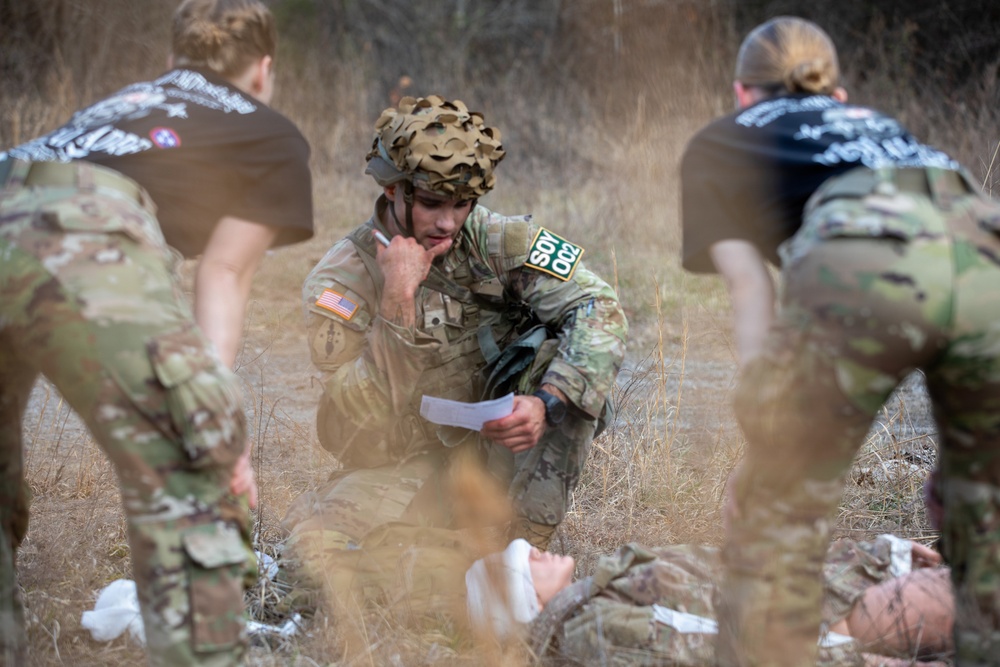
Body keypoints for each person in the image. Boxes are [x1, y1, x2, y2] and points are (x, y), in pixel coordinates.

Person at [679, 15, 1000, 667]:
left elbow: (750, 291)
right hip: (984, 239)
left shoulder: (719, 141)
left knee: (777, 516)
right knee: (982, 519)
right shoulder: (881, 127)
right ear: (838, 96)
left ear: (743, 93)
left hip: (857, 248)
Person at [0, 0, 313, 664]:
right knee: (191, 479)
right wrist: (216, 436)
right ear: (263, 70)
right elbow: (222, 273)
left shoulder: (120, 104)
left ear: (174, 61)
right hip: (83, 227)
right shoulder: (268, 130)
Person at [298, 94, 627, 550]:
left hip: (496, 452)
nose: (448, 222)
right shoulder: (343, 279)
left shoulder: (497, 240)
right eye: (433, 203)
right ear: (394, 189)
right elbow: (351, 427)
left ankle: (522, 555)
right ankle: (458, 561)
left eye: (463, 204)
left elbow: (599, 307)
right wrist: (396, 301)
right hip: (398, 467)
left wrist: (546, 402)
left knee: (563, 368)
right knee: (314, 560)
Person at [466, 536, 954, 667]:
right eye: (521, 561)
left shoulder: (595, 596)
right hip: (843, 624)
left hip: (846, 594)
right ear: (521, 602)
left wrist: (871, 555)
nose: (534, 549)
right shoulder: (591, 630)